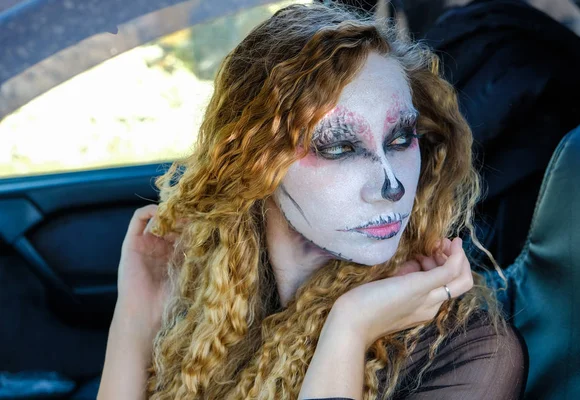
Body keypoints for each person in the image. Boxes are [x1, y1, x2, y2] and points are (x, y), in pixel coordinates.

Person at [97, 3, 526, 399]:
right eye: (339, 147)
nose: (392, 184)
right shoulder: (219, 302)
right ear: (255, 162)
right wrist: (136, 315)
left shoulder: (468, 351)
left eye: (400, 139)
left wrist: (349, 328)